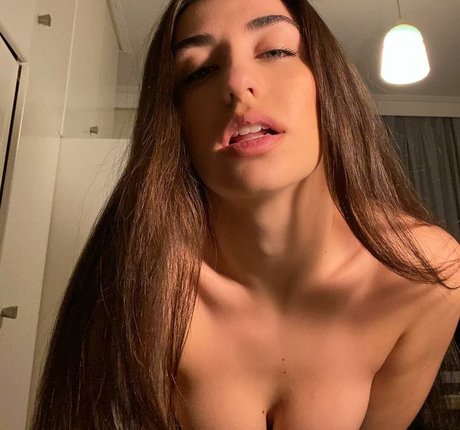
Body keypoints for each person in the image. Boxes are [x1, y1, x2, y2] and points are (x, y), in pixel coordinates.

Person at [32, 0, 460, 429]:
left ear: (329, 84)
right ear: (175, 123)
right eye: (198, 71)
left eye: (275, 50)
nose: (237, 83)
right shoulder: (135, 282)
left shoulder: (430, 275)